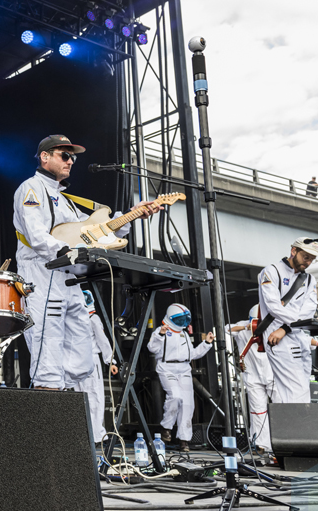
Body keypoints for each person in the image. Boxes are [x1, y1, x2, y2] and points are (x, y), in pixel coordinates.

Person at [13, 134, 159, 400]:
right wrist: (66, 251)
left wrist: (133, 213)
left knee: (81, 350)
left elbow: (96, 230)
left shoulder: (67, 201)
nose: (70, 161)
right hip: (42, 272)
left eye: (73, 157)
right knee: (48, 344)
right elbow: (36, 235)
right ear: (45, 156)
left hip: (69, 277)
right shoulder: (31, 188)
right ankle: (47, 397)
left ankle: (62, 396)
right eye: (64, 155)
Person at [257, 237, 318, 404]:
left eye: (312, 259)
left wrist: (287, 328)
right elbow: (273, 306)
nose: (308, 262)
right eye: (306, 257)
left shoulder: (309, 279)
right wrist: (293, 324)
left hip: (298, 334)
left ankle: (302, 420)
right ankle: (298, 420)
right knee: (294, 389)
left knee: (304, 387)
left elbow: (310, 308)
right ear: (293, 251)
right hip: (276, 336)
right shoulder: (271, 271)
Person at [146, 303, 214, 452]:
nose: (183, 322)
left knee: (188, 404)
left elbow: (192, 354)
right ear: (171, 318)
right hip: (167, 368)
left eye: (185, 319)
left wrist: (206, 343)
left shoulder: (184, 334)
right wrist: (160, 335)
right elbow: (152, 348)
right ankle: (166, 427)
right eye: (180, 319)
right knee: (175, 396)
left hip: (184, 369)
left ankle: (184, 440)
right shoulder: (161, 330)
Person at [71, 290, 120, 445]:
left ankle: (94, 435)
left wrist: (110, 360)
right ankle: (91, 435)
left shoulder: (90, 318)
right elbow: (102, 340)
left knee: (91, 397)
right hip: (81, 360)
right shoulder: (78, 318)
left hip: (84, 359)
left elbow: (101, 339)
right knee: (88, 397)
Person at [227, 305, 275, 454]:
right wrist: (245, 327)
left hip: (273, 375)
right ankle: (261, 445)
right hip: (253, 376)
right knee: (257, 411)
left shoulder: (273, 327)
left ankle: (284, 442)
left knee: (281, 408)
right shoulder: (243, 328)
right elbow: (226, 329)